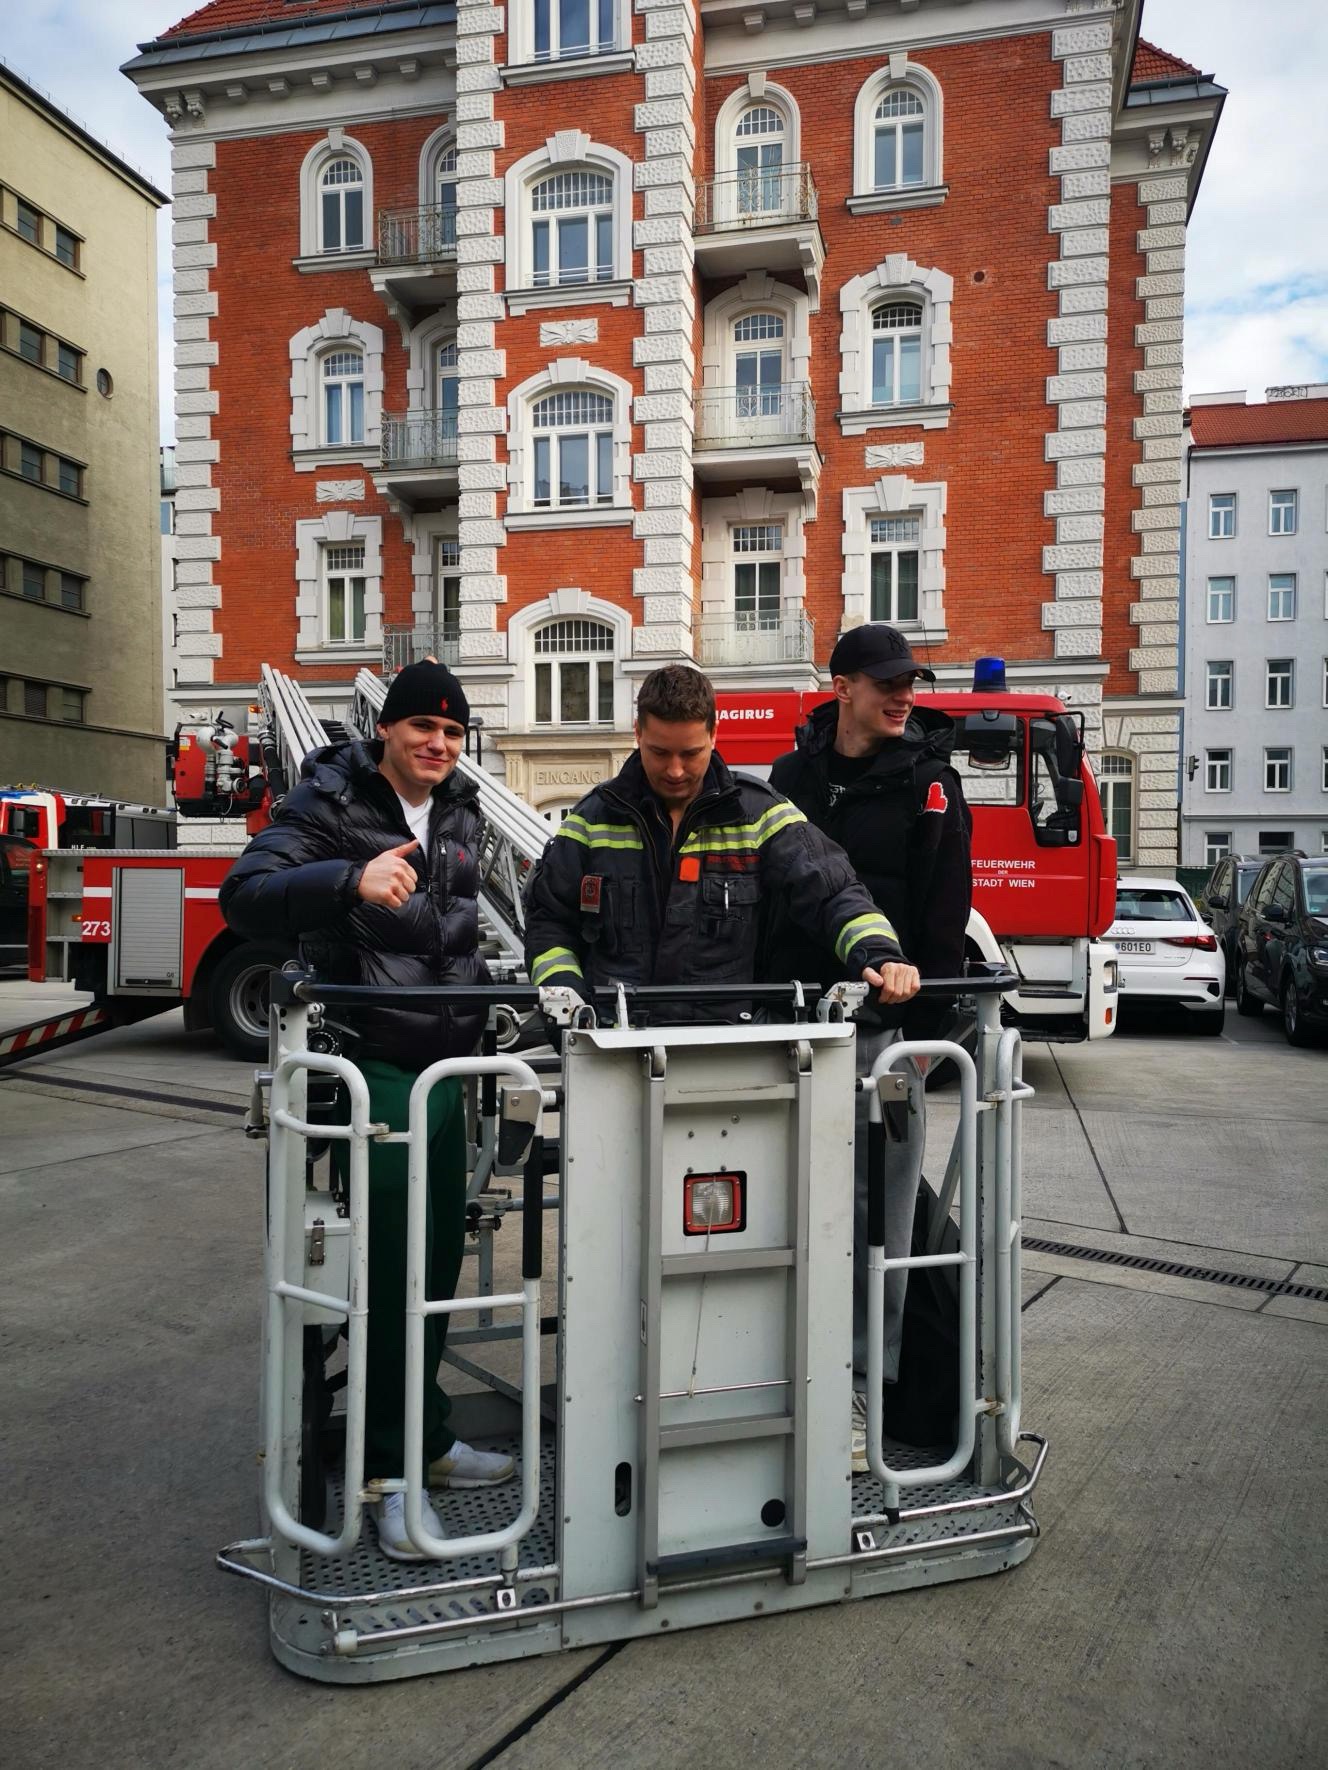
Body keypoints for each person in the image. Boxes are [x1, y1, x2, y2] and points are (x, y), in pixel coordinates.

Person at [219, 659, 512, 1562]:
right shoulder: (331, 802)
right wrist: (347, 881)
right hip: (375, 1064)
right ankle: (386, 1478)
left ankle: (423, 1441)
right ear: (387, 729)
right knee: (388, 1271)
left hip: (449, 1062)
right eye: (423, 726)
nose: (438, 743)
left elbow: (462, 940)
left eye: (453, 731)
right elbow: (246, 895)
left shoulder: (463, 812)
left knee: (432, 1269)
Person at [768, 624, 972, 1471]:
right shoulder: (793, 776)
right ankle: (791, 1381)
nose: (904, 696)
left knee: (881, 1229)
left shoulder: (931, 785)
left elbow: (943, 923)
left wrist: (920, 1049)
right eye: (886, 682)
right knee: (790, 1218)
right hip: (793, 1036)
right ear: (841, 684)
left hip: (883, 1044)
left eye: (910, 683)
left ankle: (872, 1400)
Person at [524, 660, 920, 1024]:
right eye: (659, 752)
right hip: (611, 1046)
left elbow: (834, 892)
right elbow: (548, 920)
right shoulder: (591, 820)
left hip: (724, 1049)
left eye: (690, 753)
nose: (675, 770)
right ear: (638, 733)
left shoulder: (761, 815)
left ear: (714, 735)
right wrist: (565, 996)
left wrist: (880, 954)